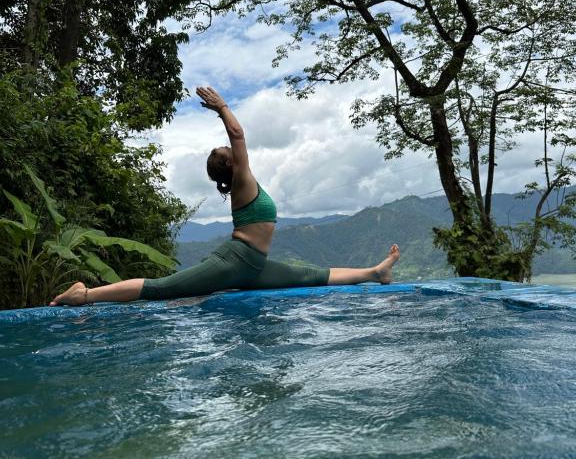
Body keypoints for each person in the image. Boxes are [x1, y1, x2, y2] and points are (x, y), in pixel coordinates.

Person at [50, 86, 400, 307]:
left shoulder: (245, 180)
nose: (229, 148)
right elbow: (238, 133)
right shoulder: (242, 178)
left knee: (311, 275)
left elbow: (236, 140)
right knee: (162, 288)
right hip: (234, 261)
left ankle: (376, 272)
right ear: (230, 163)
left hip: (253, 265)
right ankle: (85, 295)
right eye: (225, 150)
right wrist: (221, 107)